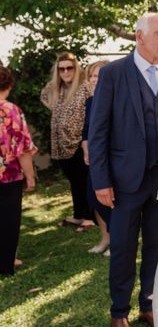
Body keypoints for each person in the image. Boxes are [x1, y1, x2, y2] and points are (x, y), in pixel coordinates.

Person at [89, 12, 158, 327]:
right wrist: (101, 180)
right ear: (139, 37)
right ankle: (119, 314)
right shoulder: (114, 74)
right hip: (123, 181)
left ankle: (149, 303)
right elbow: (98, 130)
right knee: (124, 249)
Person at [41, 52, 94, 231]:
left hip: (80, 142)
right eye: (61, 69)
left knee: (84, 180)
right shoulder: (57, 89)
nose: (65, 72)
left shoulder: (84, 86)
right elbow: (45, 96)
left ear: (76, 68)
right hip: (61, 142)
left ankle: (89, 217)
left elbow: (94, 109)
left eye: (69, 68)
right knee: (73, 180)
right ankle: (78, 215)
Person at [0, 66, 37, 275]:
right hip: (9, 175)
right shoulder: (12, 111)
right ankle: (6, 262)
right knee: (8, 219)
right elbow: (23, 149)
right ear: (9, 85)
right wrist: (30, 177)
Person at [81, 60, 111, 255]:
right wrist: (86, 150)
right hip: (94, 159)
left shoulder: (115, 100)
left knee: (111, 201)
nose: (93, 80)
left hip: (111, 157)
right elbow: (86, 131)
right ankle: (105, 238)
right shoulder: (90, 101)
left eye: (97, 76)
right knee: (94, 200)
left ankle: (117, 240)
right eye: (91, 76)